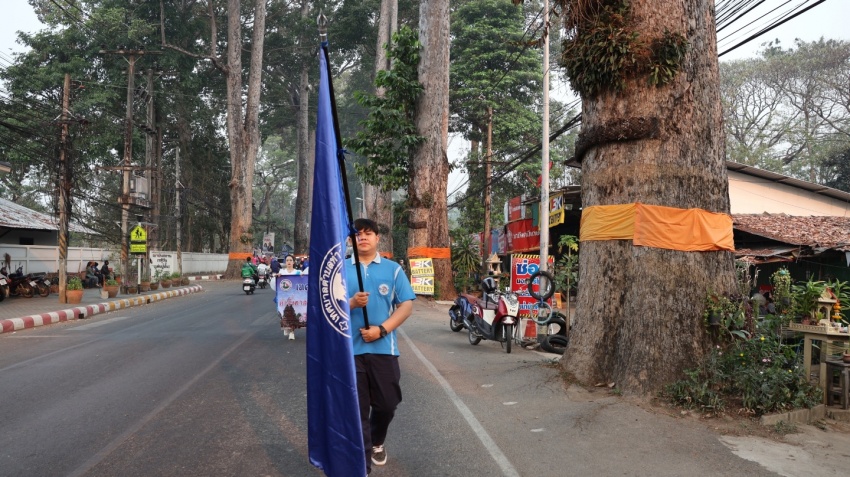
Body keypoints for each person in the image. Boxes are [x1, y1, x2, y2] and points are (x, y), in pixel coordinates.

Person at [346, 218, 415, 472]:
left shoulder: (392, 269)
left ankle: (377, 441)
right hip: (350, 352)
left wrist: (382, 330)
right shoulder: (340, 270)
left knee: (387, 404)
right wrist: (351, 303)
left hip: (384, 349)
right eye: (358, 234)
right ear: (351, 240)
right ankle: (361, 464)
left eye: (368, 233)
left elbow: (406, 305)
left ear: (377, 238)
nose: (363, 238)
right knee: (358, 409)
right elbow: (326, 308)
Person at [279, 254, 303, 340]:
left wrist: (302, 277)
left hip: (295, 297)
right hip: (283, 297)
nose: (289, 262)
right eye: (287, 260)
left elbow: (303, 281)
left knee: (292, 314)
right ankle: (287, 327)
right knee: (285, 313)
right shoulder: (282, 272)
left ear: (293, 262)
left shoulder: (298, 272)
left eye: (290, 260)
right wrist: (277, 277)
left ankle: (292, 332)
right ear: (285, 262)